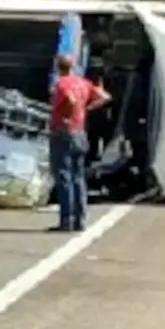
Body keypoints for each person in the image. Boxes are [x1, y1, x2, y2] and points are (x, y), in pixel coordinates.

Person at [49, 53, 112, 232]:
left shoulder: (62, 84)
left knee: (63, 176)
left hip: (63, 131)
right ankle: (80, 219)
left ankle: (67, 220)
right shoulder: (83, 83)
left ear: (58, 67)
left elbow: (69, 99)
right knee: (78, 177)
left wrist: (68, 113)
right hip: (80, 131)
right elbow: (105, 96)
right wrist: (86, 108)